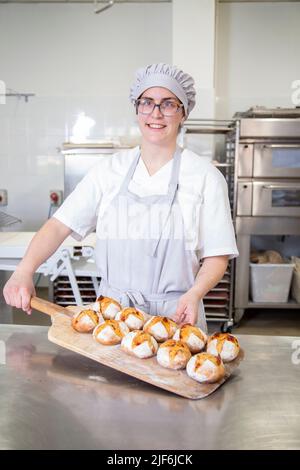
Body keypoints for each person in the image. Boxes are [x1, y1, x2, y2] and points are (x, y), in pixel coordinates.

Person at [3, 63, 238, 332]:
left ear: (183, 112)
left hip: (176, 316)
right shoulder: (109, 170)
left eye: (168, 104)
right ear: (137, 109)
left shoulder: (205, 177)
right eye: (147, 102)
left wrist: (195, 293)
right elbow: (59, 225)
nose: (156, 113)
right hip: (111, 317)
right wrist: (24, 270)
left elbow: (217, 254)